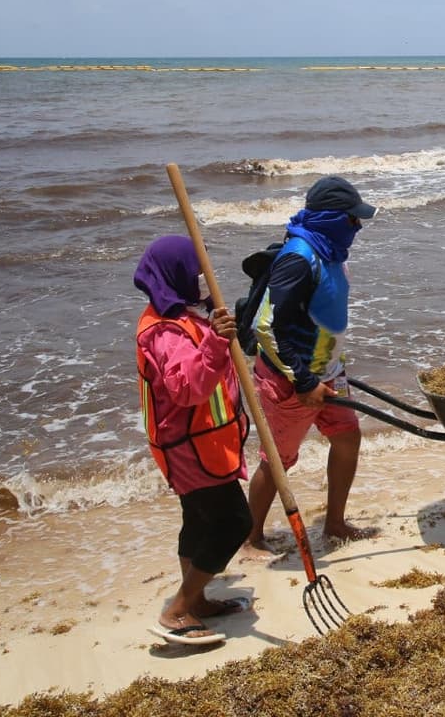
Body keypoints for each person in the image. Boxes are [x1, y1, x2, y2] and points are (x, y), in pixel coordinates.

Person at [245, 175, 380, 552]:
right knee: (277, 461)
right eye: (352, 219)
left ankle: (334, 524)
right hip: (291, 382)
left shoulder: (331, 252)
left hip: (328, 374)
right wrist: (304, 381)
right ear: (332, 219)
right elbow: (267, 328)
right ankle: (250, 538)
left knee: (347, 437)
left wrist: (331, 367)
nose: (357, 227)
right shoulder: (299, 258)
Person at [134, 235, 254, 645]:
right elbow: (187, 390)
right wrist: (217, 341)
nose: (203, 278)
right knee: (234, 522)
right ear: (175, 274)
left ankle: (197, 599)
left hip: (202, 442)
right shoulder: (164, 333)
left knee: (199, 521)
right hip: (189, 447)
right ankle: (178, 609)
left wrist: (221, 334)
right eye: (195, 271)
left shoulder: (184, 315)